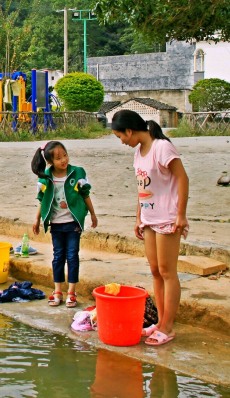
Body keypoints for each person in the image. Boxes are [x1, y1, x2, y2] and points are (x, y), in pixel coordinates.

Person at [111, 110, 189, 346]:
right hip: (149, 218)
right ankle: (160, 321)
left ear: (130, 131)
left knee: (168, 272)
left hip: (167, 217)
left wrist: (181, 215)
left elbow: (183, 178)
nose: (122, 142)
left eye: (120, 136)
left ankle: (168, 326)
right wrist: (138, 217)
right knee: (155, 271)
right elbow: (142, 187)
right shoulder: (138, 152)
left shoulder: (162, 147)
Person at [31, 141, 98, 308]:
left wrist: (93, 214)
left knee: (72, 256)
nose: (63, 160)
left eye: (65, 155)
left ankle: (72, 292)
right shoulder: (46, 177)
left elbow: (85, 194)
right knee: (58, 256)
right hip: (56, 224)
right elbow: (42, 200)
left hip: (73, 222)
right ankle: (58, 291)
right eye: (58, 158)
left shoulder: (77, 173)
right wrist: (37, 220)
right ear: (50, 162)